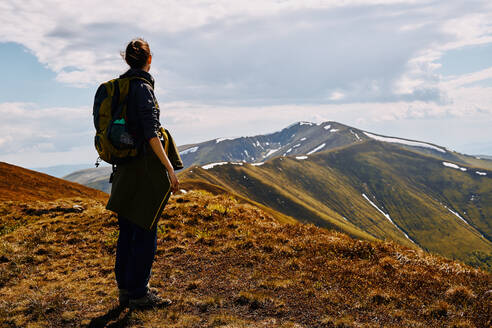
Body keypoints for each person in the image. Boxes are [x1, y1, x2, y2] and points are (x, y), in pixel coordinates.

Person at [107, 38, 180, 309]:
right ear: (149, 60)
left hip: (123, 167)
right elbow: (151, 133)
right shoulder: (142, 89)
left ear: (127, 60)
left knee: (126, 230)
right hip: (144, 169)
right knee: (146, 229)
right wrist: (169, 167)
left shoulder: (120, 88)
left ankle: (126, 289)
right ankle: (140, 292)